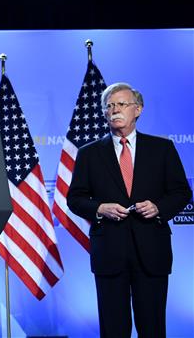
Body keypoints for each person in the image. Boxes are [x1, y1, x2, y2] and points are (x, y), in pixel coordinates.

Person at [67, 82, 191, 338]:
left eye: (121, 104)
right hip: (109, 252)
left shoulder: (162, 149)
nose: (114, 110)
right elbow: (75, 198)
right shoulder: (89, 153)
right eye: (109, 105)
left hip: (152, 250)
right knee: (113, 329)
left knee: (153, 327)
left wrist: (158, 207)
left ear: (138, 109)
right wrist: (100, 207)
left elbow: (181, 192)